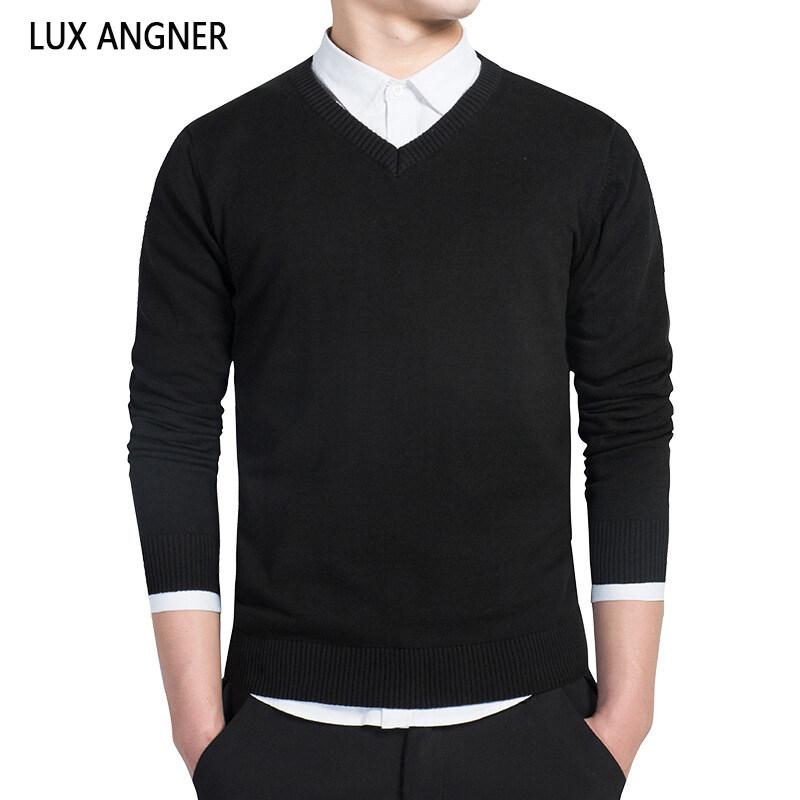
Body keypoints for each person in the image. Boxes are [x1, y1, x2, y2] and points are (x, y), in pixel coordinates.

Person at [127, 2, 673, 798]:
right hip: (280, 733)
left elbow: (628, 423)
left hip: (536, 730)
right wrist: (199, 730)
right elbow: (172, 430)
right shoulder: (217, 158)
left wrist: (624, 719)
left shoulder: (586, 153)